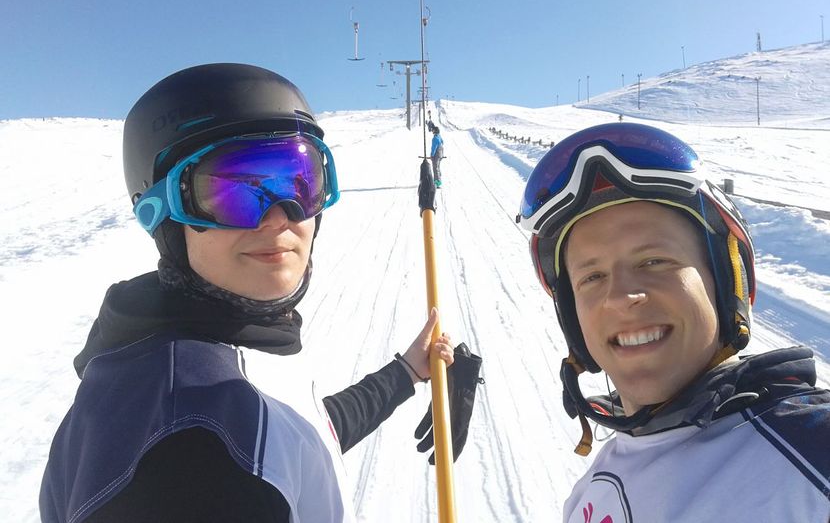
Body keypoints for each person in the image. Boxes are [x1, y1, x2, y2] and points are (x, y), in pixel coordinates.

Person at [39, 63, 460, 523]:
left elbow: (304, 440)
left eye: (299, 183)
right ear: (162, 213)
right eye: (235, 192)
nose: (279, 216)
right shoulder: (189, 457)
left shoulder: (198, 367)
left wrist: (407, 372)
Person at [516, 122, 830, 521]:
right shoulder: (589, 490)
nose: (621, 297)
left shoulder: (811, 455)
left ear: (725, 283)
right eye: (591, 277)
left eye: (654, 261)